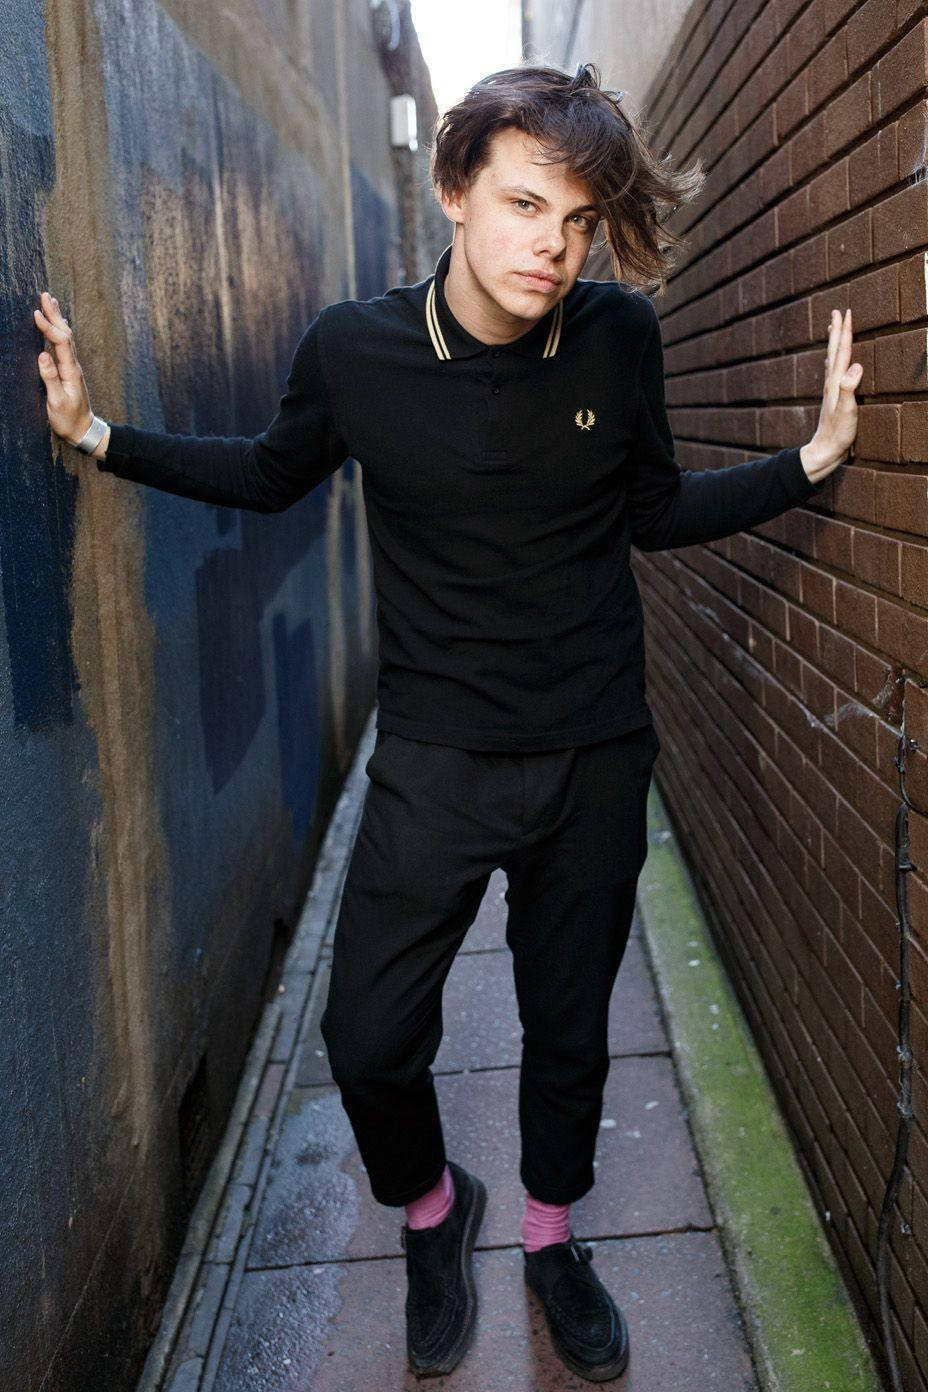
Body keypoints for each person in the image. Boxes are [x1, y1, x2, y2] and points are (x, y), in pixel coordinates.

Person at [35, 61, 861, 1384]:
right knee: (366, 1034)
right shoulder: (354, 351)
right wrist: (99, 436)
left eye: (580, 219)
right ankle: (433, 1211)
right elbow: (268, 473)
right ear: (455, 189)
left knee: (571, 1025)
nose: (556, 242)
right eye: (529, 203)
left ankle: (548, 1239)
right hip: (431, 758)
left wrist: (806, 466)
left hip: (593, 751)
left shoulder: (615, 340)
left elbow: (652, 509)